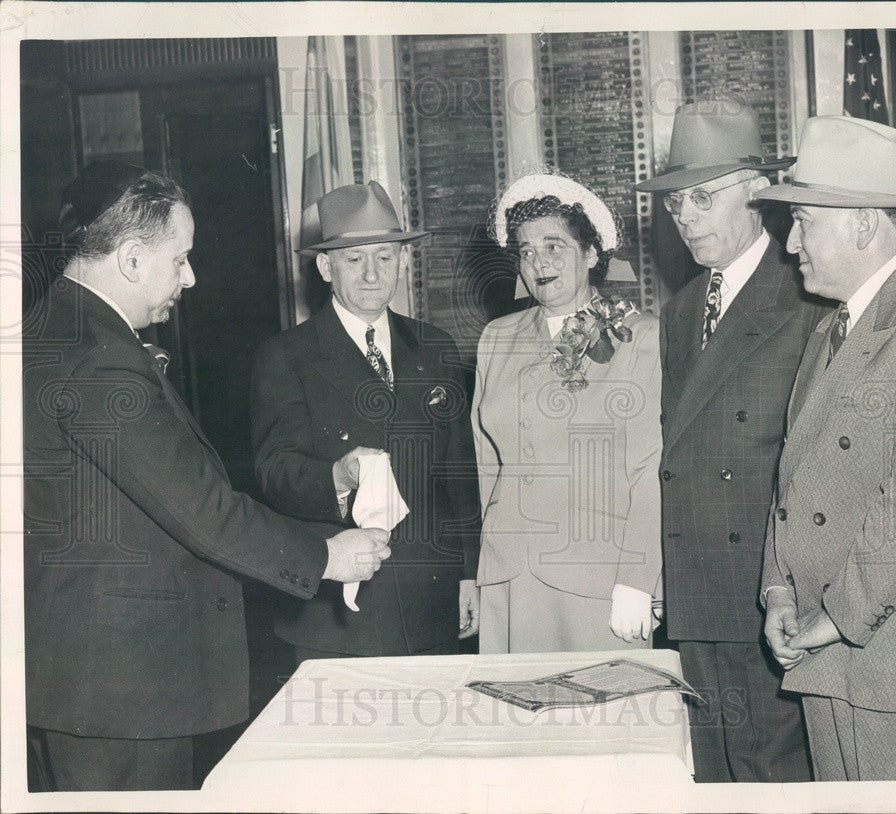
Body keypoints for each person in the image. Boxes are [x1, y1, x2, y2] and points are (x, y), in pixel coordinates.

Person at [22, 161, 390, 791]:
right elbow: (204, 510)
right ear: (134, 259)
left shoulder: (64, 329)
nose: (191, 278)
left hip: (98, 679)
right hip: (119, 688)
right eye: (181, 258)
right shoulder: (98, 361)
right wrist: (327, 555)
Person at [755, 115, 896, 781]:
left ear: (864, 224)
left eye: (804, 222)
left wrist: (831, 619)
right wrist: (778, 590)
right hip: (831, 657)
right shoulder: (834, 326)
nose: (791, 245)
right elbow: (797, 478)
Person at [634, 99, 827, 782]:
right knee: (709, 773)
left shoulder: (808, 300)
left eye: (702, 198)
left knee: (769, 771)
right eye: (675, 202)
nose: (684, 216)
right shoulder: (683, 309)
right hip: (694, 594)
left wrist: (792, 591)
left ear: (756, 192)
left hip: (765, 596)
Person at [250, 181, 481, 662]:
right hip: (338, 613)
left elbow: (460, 475)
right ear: (325, 267)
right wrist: (336, 476)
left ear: (402, 260)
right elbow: (275, 473)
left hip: (430, 600)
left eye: (384, 257)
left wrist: (467, 574)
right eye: (354, 260)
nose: (372, 274)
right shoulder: (286, 357)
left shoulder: (435, 347)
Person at [473, 172, 662, 653]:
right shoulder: (497, 337)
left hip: (599, 577)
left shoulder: (639, 337)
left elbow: (650, 468)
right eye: (527, 250)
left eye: (554, 246)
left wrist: (641, 580)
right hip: (508, 572)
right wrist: (479, 572)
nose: (539, 262)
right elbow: (485, 464)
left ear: (592, 253)